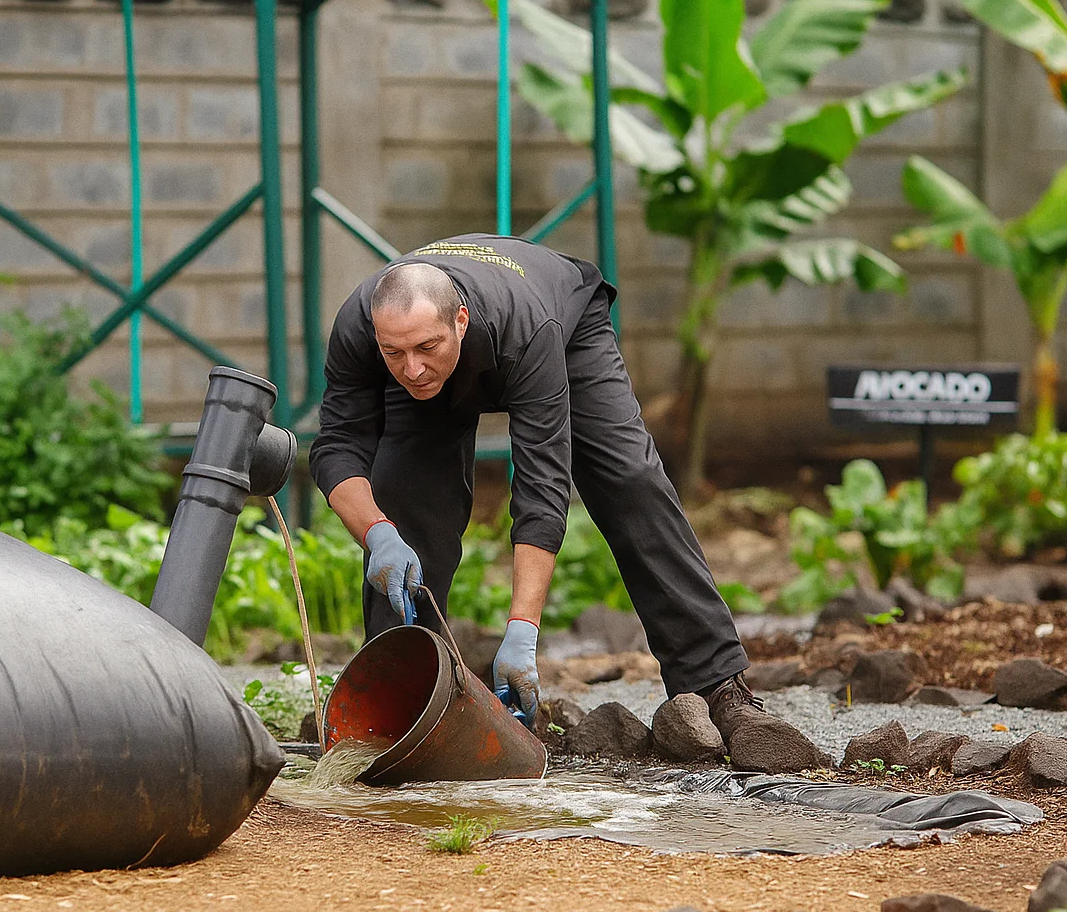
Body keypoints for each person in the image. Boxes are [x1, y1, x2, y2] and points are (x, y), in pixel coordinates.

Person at [307, 234, 814, 758]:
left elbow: (541, 483)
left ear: (459, 321)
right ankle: (399, 704)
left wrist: (522, 631)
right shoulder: (366, 327)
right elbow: (338, 445)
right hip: (456, 339)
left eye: (425, 349)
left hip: (561, 327)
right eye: (393, 353)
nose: (411, 368)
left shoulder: (527, 329)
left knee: (628, 480)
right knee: (404, 502)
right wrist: (378, 533)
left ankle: (716, 685)